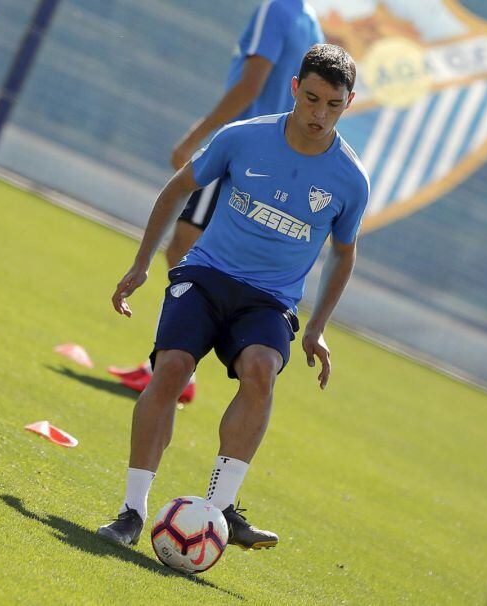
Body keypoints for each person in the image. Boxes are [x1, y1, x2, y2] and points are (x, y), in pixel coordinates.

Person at [97, 44, 368, 550]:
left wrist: (317, 327)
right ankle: (132, 512)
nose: (319, 114)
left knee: (262, 370)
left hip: (269, 300)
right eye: (311, 99)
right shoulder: (243, 138)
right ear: (294, 88)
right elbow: (176, 189)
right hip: (205, 275)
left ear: (348, 103)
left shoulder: (350, 180)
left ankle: (221, 508)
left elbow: (344, 254)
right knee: (172, 368)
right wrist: (140, 262)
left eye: (333, 105)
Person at [107, 0, 324, 403]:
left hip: (241, 155)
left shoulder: (275, 9)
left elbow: (250, 85)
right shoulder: (311, 22)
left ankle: (175, 366)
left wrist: (198, 135)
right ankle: (171, 363)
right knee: (185, 247)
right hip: (268, 157)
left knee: (186, 250)